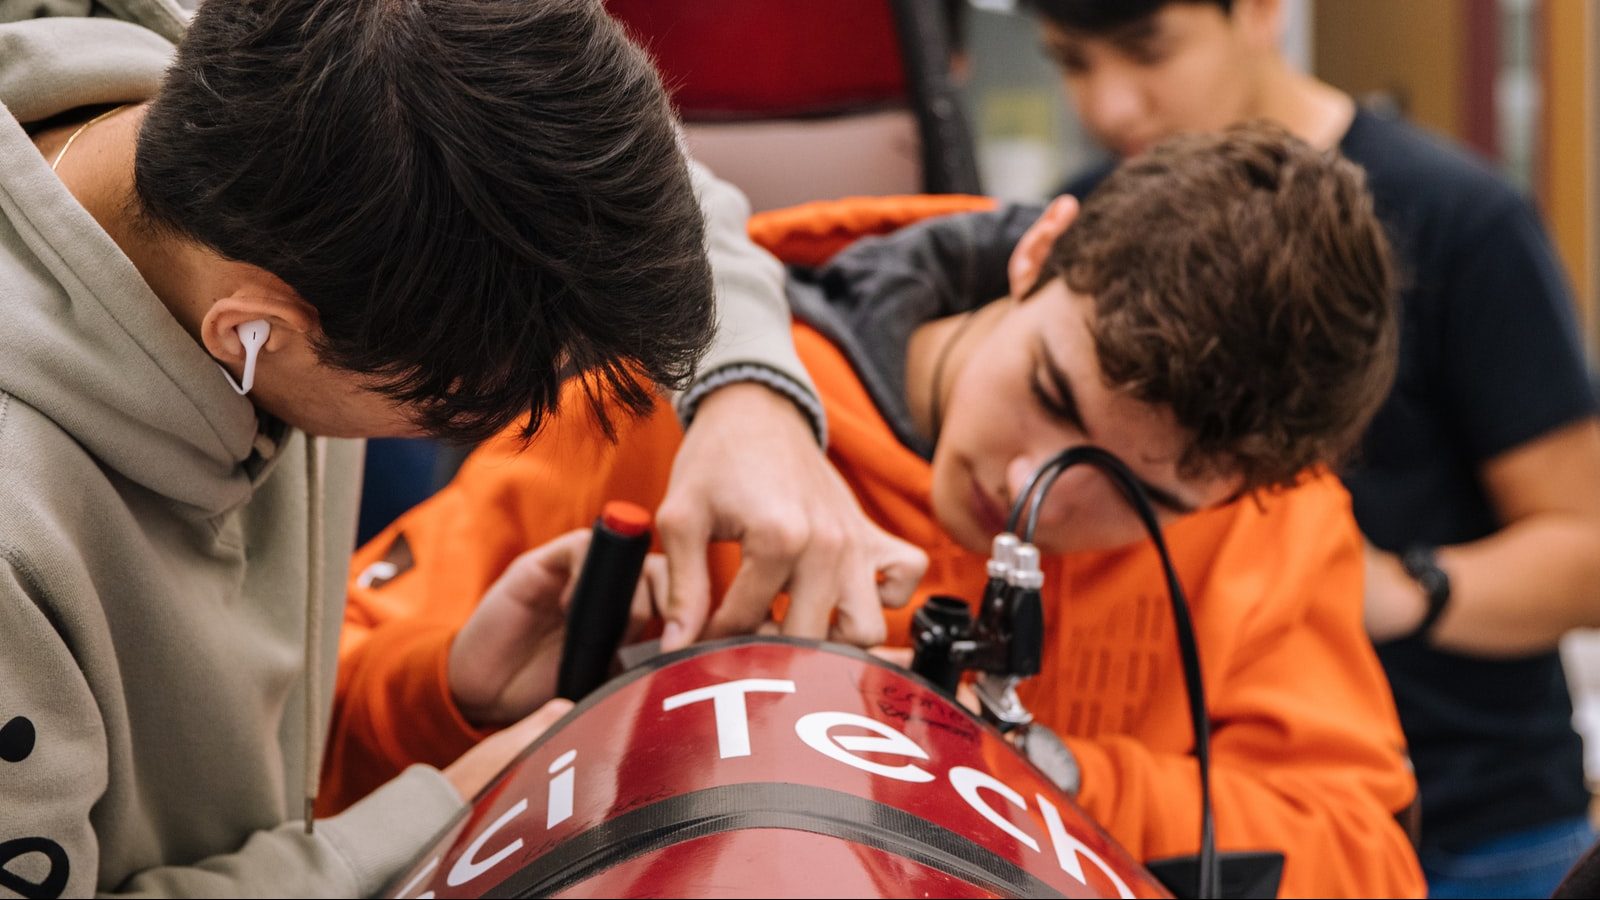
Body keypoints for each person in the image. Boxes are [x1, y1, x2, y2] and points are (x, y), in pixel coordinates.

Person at [327, 123, 1425, 896]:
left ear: (1238, 491)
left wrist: (1037, 775)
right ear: (1039, 251)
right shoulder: (680, 405)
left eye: (1142, 496)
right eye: (1049, 392)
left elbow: (1364, 861)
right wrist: (453, 693)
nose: (1035, 490)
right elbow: (287, 739)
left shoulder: (1278, 527)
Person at [0, 0, 922, 894]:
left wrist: (750, 392)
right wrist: (441, 819)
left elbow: (664, 187)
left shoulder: (305, 74)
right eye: (456, 411)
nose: (486, 433)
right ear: (253, 330)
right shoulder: (18, 535)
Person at [989, 2, 1600, 894]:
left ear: (1263, 13)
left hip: (1479, 829)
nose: (1113, 105)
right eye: (1072, 63)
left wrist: (1400, 589)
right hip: (1201, 831)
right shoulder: (1081, 225)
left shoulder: (1461, 220)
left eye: (1148, 50)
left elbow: (1586, 551)